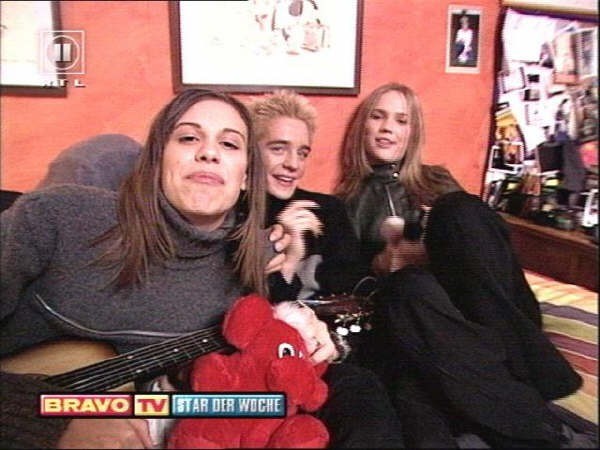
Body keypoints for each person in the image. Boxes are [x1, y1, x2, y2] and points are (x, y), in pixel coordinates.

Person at [0, 89, 282, 449]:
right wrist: (51, 422)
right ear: (156, 160)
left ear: (245, 177)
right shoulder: (54, 218)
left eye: (229, 144)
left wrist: (301, 336)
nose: (209, 152)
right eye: (188, 138)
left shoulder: (252, 263)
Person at [335, 82, 584, 448]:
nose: (388, 127)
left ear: (413, 132)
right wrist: (380, 264)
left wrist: (430, 251)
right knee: (407, 287)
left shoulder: (437, 180)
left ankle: (520, 357)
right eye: (378, 116)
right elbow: (349, 287)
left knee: (458, 209)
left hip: (487, 309)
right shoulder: (344, 204)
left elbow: (482, 251)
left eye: (401, 120)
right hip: (431, 316)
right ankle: (536, 413)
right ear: (363, 127)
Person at [248, 89, 405, 448]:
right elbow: (248, 314)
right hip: (276, 361)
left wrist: (340, 342)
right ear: (249, 151)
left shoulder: (327, 209)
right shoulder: (232, 215)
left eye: (302, 152)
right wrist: (289, 259)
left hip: (339, 347)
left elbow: (359, 291)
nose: (293, 164)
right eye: (278, 148)